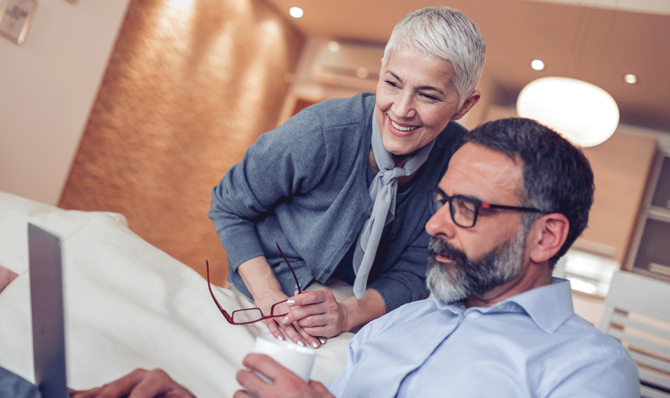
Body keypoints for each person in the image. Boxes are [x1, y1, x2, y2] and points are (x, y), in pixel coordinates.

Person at [231, 117, 640, 397]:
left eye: (466, 207)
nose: (434, 225)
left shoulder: (589, 367)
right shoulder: (396, 323)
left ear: (546, 236)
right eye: (441, 201)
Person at [208, 6, 485, 349]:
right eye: (392, 83)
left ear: (464, 106)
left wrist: (346, 314)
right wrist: (269, 297)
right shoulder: (319, 133)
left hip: (363, 309)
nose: (401, 109)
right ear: (381, 72)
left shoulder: (459, 163)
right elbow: (228, 205)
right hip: (267, 287)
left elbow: (416, 271)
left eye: (428, 95)